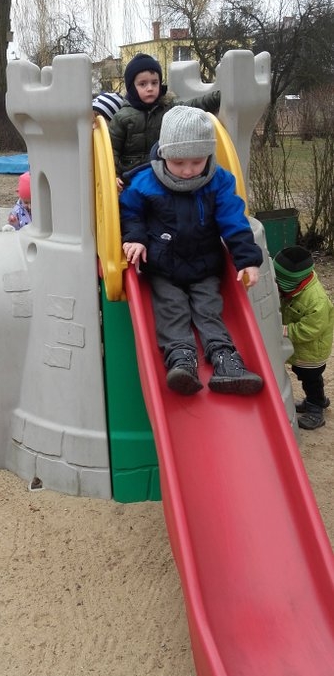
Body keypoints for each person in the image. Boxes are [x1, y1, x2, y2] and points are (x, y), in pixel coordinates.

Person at [120, 105, 264, 396]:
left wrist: (247, 259)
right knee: (171, 309)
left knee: (209, 309)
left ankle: (225, 360)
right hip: (162, 266)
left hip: (204, 265)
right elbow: (130, 213)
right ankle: (181, 359)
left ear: (209, 155)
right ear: (164, 154)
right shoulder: (145, 181)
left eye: (197, 162)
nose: (188, 171)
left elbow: (234, 221)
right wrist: (135, 238)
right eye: (178, 162)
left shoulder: (219, 181)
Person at [109, 52, 220, 187]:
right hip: (133, 176)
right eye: (142, 84)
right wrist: (113, 175)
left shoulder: (168, 108)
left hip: (163, 173)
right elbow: (112, 149)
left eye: (154, 83)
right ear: (132, 87)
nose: (150, 88)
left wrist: (217, 97)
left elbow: (192, 107)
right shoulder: (123, 117)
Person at [273, 246, 334, 430]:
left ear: (293, 280)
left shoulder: (316, 300)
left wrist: (286, 330)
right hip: (302, 350)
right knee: (305, 376)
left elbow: (310, 330)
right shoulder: (293, 291)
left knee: (311, 379)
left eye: (279, 280)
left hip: (312, 352)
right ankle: (318, 399)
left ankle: (316, 409)